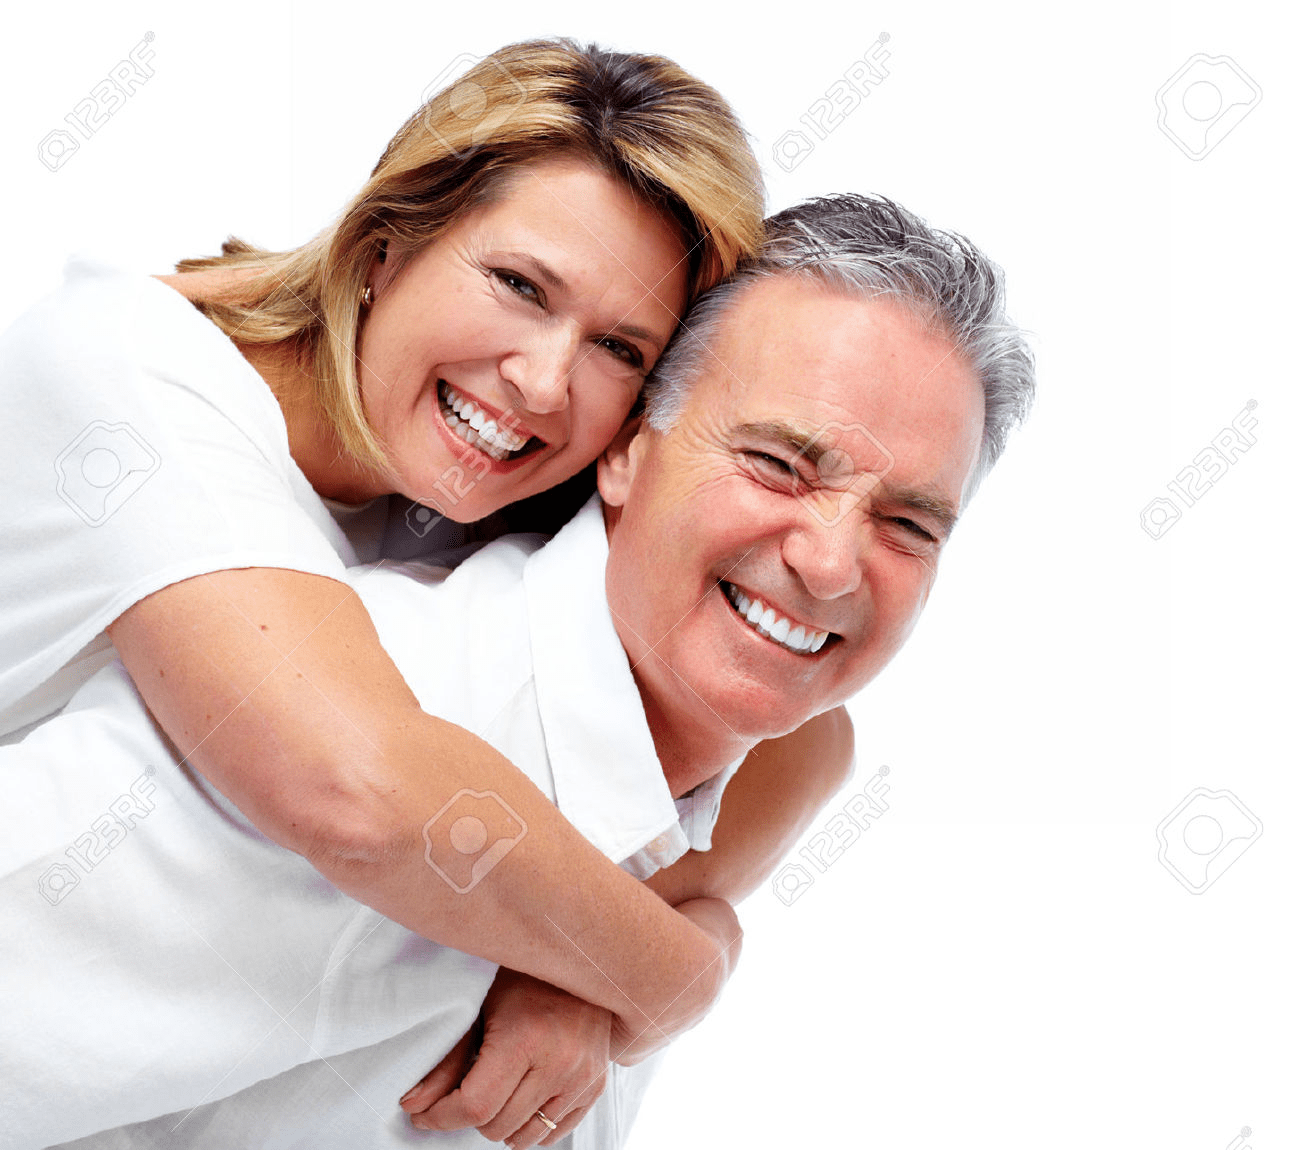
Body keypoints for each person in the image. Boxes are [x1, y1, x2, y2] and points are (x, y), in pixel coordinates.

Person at [0, 194, 1035, 1149]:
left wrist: (659, 951)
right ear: (626, 451)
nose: (830, 565)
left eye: (908, 525)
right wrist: (666, 975)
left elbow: (813, 747)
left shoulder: (699, 774)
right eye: (776, 465)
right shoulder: (348, 738)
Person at [0, 37, 832, 1058]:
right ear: (387, 244)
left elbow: (802, 727)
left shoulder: (507, 474)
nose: (541, 383)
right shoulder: (126, 376)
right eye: (521, 285)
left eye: (619, 347)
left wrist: (575, 969)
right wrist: (674, 975)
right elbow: (351, 793)